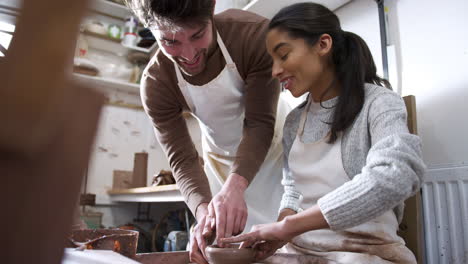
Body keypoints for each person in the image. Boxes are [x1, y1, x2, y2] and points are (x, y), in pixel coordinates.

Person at [222, 3, 426, 264]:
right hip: (301, 253)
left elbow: (396, 174)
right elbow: (294, 192)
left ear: (323, 44)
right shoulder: (294, 121)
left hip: (366, 252)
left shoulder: (379, 103)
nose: (274, 71)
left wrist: (289, 227)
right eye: (272, 61)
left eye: (283, 56)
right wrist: (280, 234)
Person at [124, 1, 289, 263]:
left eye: (197, 35)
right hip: (220, 164)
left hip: (278, 156)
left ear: (211, 9)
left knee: (288, 247)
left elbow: (259, 123)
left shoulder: (253, 36)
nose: (189, 56)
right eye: (170, 42)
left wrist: (237, 185)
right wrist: (203, 212)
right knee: (225, 242)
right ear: (151, 30)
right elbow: (183, 158)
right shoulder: (156, 83)